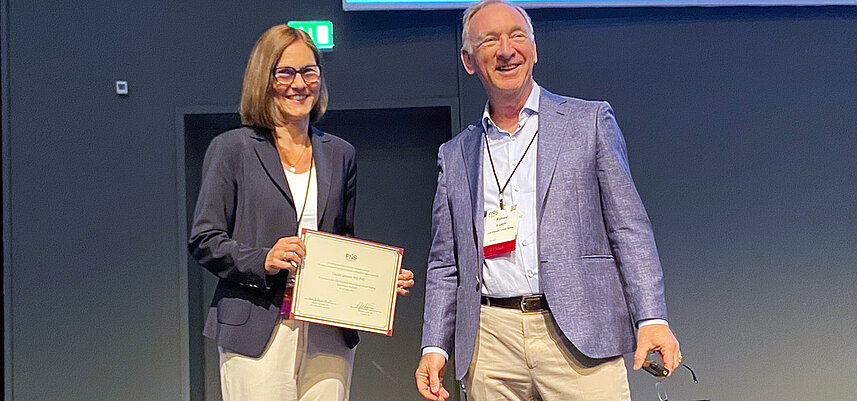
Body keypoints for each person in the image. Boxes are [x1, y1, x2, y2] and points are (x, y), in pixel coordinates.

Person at [415, 1, 681, 400]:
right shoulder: (455, 154)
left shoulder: (589, 122)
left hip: (580, 333)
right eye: (489, 40)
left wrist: (652, 317)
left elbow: (629, 228)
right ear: (468, 60)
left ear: (534, 50)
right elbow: (444, 261)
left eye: (517, 35)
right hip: (490, 340)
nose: (506, 50)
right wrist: (435, 346)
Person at [189, 24, 414, 401]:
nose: (299, 83)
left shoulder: (340, 153)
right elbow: (205, 239)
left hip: (328, 328)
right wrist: (265, 259)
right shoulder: (232, 149)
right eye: (286, 72)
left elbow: (343, 241)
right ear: (265, 78)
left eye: (309, 71)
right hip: (257, 326)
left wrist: (377, 283)